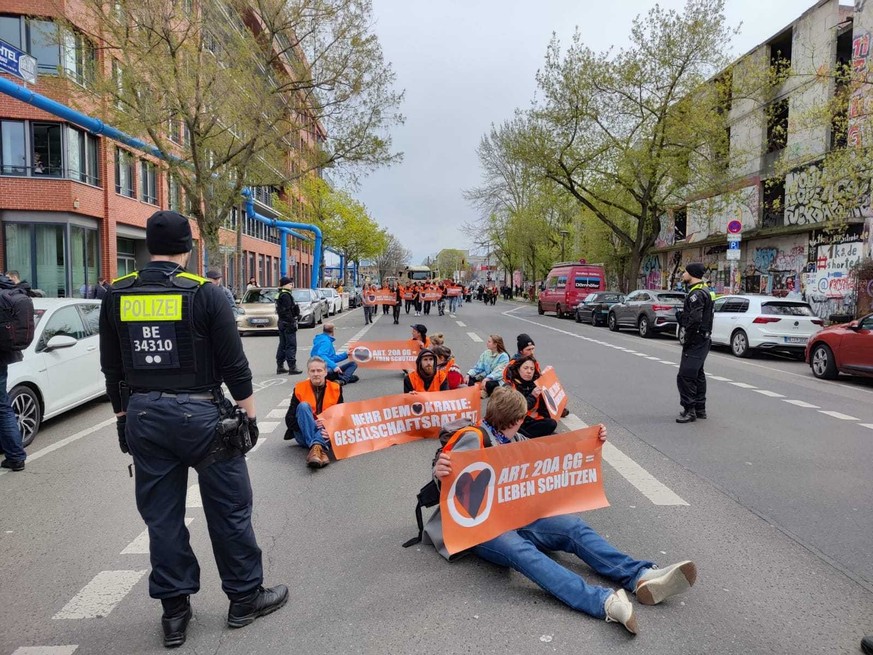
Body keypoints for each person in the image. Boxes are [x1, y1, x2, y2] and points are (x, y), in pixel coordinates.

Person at [99, 210, 287, 648]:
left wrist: (123, 418)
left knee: (162, 519)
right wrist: (251, 415)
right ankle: (244, 599)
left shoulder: (118, 294)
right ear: (187, 247)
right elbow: (234, 365)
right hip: (204, 419)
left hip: (144, 415)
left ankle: (174, 614)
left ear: (148, 246)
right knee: (230, 509)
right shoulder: (206, 294)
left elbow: (112, 368)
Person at [425, 387, 697, 634]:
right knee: (521, 551)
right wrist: (440, 471)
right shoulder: (473, 437)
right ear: (518, 418)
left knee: (572, 527)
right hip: (480, 526)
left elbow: (555, 453)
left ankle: (639, 575)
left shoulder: (516, 438)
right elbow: (445, 470)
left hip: (515, 515)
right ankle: (601, 602)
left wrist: (592, 441)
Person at [283, 356, 343, 469]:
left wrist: (329, 427)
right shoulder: (299, 388)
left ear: (325, 372)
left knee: (328, 430)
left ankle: (315, 449)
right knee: (303, 406)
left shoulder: (335, 388)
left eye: (319, 370)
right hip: (303, 435)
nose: (316, 374)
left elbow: (341, 417)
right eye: (313, 371)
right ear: (308, 373)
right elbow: (289, 421)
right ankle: (318, 445)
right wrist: (311, 423)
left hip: (326, 434)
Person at [675, 263, 715, 423]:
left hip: (696, 339)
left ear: (692, 274)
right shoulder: (705, 290)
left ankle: (689, 410)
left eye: (685, 272)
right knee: (698, 374)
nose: (683, 274)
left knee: (685, 375)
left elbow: (696, 319)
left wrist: (688, 336)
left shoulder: (696, 294)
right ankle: (700, 409)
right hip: (704, 338)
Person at [0, 273, 28, 472]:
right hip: (4, 356)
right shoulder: (8, 290)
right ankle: (16, 456)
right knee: (2, 406)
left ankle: (16, 456)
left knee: (2, 407)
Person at [503, 355, 557, 438]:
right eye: (525, 368)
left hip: (529, 421)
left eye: (532, 369)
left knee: (551, 423)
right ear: (518, 369)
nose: (529, 371)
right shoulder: (509, 386)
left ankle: (527, 437)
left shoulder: (536, 385)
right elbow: (516, 410)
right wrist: (533, 396)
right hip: (513, 422)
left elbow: (545, 409)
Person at [275, 276, 302, 375]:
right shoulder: (286, 295)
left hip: (281, 322)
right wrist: (292, 320)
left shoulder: (279, 294)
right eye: (290, 284)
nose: (292, 286)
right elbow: (288, 310)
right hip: (288, 323)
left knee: (282, 344)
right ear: (285, 285)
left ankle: (280, 366)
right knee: (291, 345)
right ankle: (292, 367)